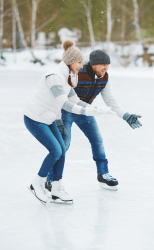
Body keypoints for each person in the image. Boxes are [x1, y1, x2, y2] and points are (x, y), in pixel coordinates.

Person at [24, 40, 113, 205]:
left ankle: (56, 188)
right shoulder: (54, 77)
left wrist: (97, 109)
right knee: (56, 151)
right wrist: (88, 111)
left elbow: (76, 101)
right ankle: (37, 183)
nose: (81, 66)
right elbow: (65, 104)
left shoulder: (68, 78)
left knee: (62, 150)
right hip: (35, 119)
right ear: (71, 61)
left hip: (49, 118)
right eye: (79, 62)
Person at [46, 49, 142, 191]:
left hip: (86, 111)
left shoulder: (104, 77)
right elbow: (60, 96)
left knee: (97, 141)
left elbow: (110, 99)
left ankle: (103, 174)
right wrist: (57, 118)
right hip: (67, 111)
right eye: (103, 64)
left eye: (107, 64)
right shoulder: (77, 73)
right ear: (93, 64)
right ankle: (50, 179)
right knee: (63, 146)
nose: (106, 67)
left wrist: (125, 115)